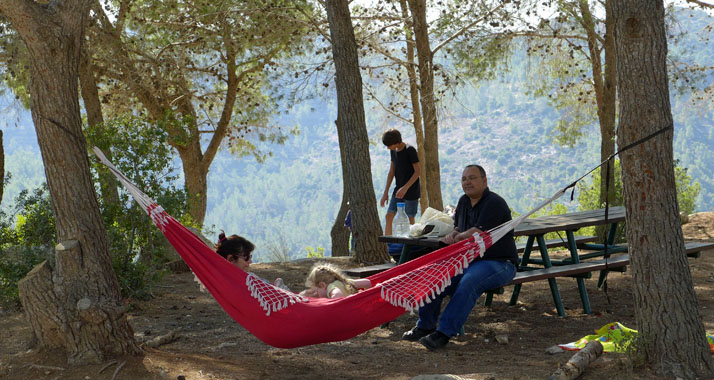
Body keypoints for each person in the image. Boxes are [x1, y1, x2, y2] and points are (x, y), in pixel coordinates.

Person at [401, 165, 518, 351]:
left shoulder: (495, 203)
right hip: (469, 261)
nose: (467, 182)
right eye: (464, 179)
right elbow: (460, 227)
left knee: (469, 282)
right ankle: (425, 326)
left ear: (484, 181)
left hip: (499, 263)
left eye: (472, 178)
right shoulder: (463, 201)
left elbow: (476, 232)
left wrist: (458, 236)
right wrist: (452, 234)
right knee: (436, 276)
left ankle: (444, 333)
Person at [214, 231, 290, 290]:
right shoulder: (245, 283)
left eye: (250, 256)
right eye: (246, 257)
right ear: (231, 259)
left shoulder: (243, 279)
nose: (250, 261)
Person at [380, 129, 420, 236]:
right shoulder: (393, 151)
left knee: (410, 218)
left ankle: (410, 246)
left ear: (396, 142)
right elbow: (391, 172)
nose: (388, 147)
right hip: (398, 190)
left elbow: (417, 172)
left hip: (411, 191)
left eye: (389, 145)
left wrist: (406, 188)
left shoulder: (410, 150)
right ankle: (388, 245)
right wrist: (385, 193)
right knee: (389, 215)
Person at [300, 262, 371, 299]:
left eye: (316, 291)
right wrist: (367, 297)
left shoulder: (330, 287)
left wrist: (331, 305)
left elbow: (338, 295)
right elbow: (367, 282)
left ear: (322, 285)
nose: (316, 294)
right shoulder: (344, 281)